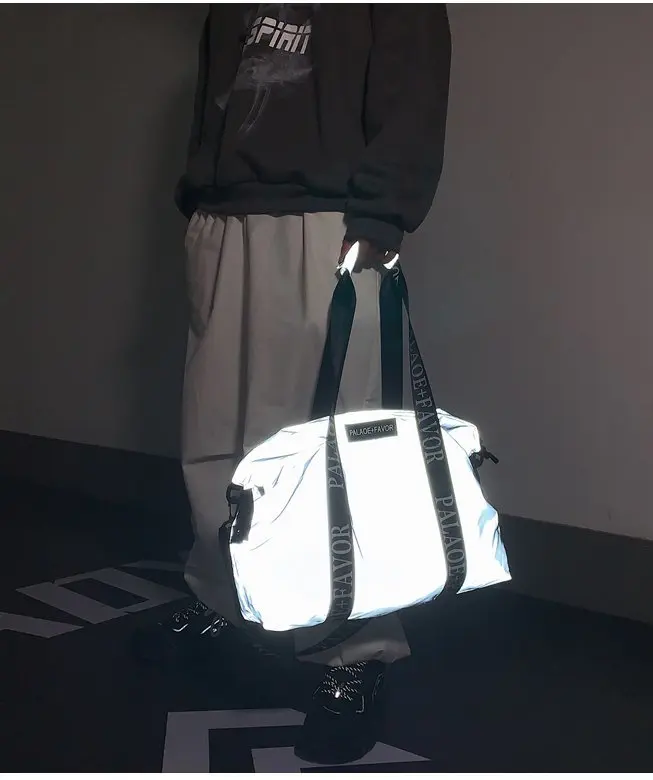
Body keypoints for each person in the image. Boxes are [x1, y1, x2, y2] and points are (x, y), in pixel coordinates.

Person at [148, 3, 451, 765]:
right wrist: (199, 200)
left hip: (328, 219)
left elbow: (414, 90)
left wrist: (381, 215)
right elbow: (215, 100)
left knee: (337, 446)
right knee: (215, 434)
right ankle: (224, 599)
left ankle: (356, 653)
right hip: (227, 218)